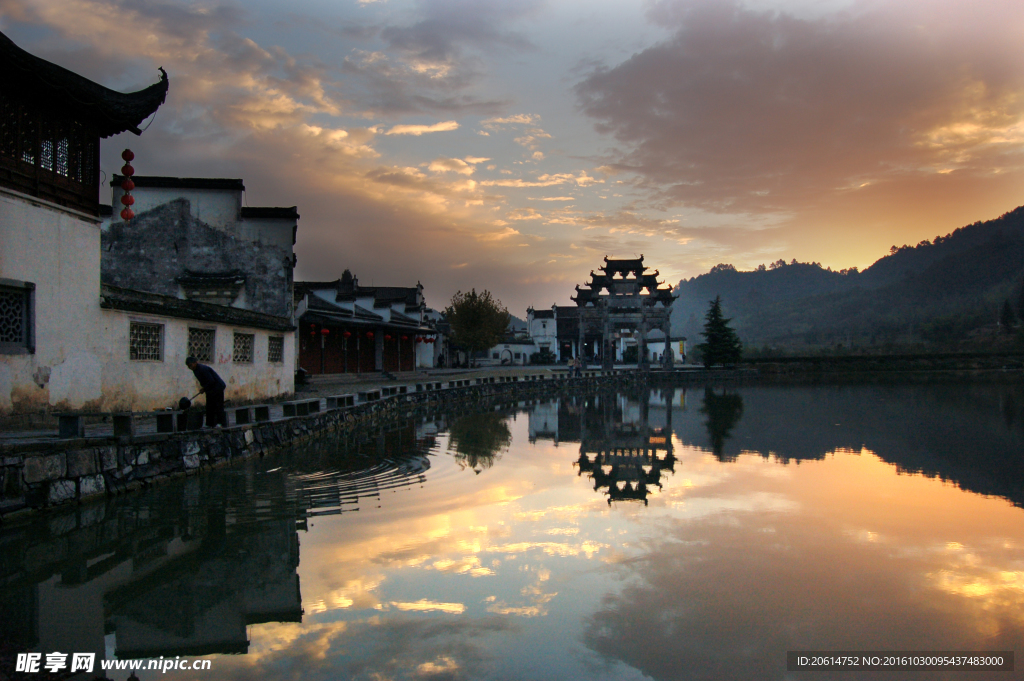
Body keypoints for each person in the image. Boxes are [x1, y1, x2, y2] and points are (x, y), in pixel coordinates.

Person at [186, 356, 226, 428]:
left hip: (218, 387)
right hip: (210, 388)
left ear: (195, 363)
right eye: (188, 366)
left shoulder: (202, 369)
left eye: (191, 365)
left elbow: (211, 380)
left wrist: (204, 389)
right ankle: (210, 424)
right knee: (209, 406)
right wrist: (205, 388)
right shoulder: (195, 370)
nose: (190, 367)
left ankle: (221, 423)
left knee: (218, 405)